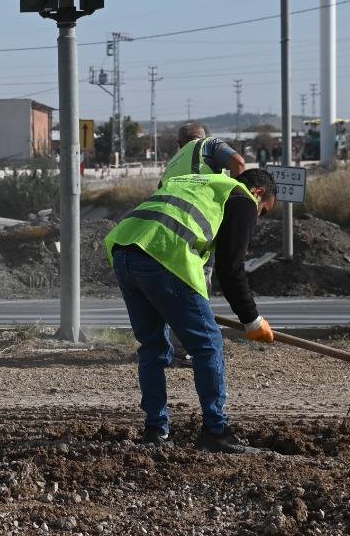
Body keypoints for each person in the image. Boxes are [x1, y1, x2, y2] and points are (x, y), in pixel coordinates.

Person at [103, 167, 279, 453]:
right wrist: (252, 319)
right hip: (164, 254)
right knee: (208, 345)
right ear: (259, 193)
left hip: (125, 250)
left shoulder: (197, 181)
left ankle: (156, 432)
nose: (257, 217)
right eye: (264, 211)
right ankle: (216, 432)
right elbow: (230, 268)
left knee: (152, 346)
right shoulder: (243, 198)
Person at [160, 122, 246, 183]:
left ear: (179, 143)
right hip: (199, 207)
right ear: (204, 137)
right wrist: (237, 199)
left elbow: (160, 187)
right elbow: (238, 163)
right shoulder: (207, 144)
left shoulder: (171, 164)